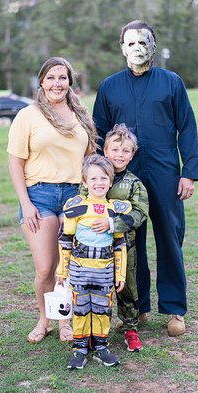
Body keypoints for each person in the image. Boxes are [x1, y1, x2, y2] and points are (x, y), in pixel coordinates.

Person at [93, 20, 198, 337]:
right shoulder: (110, 87)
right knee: (128, 242)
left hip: (165, 171)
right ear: (122, 47)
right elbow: (98, 133)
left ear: (153, 46)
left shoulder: (171, 82)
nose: (137, 48)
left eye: (144, 42)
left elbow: (188, 127)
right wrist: (101, 175)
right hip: (123, 174)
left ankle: (174, 309)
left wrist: (189, 173)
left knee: (169, 238)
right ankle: (135, 309)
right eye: (131, 43)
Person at [7, 57, 97, 344]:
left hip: (73, 197)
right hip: (39, 196)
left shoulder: (80, 114)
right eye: (51, 78)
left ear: (70, 81)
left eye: (62, 77)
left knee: (67, 265)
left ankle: (64, 322)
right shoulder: (28, 115)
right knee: (45, 267)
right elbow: (15, 162)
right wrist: (27, 203)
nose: (57, 83)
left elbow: (90, 159)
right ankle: (44, 320)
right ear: (42, 82)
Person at [57, 154, 131, 369]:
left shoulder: (116, 210)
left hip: (105, 270)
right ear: (84, 182)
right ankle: (79, 349)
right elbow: (65, 239)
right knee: (81, 309)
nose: (99, 183)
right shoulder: (76, 207)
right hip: (80, 269)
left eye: (103, 178)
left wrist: (120, 274)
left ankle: (101, 347)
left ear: (110, 181)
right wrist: (62, 270)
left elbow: (120, 244)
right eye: (93, 179)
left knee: (102, 309)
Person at [80, 124, 149, 352]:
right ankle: (97, 333)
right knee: (97, 289)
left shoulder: (134, 184)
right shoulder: (93, 176)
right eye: (115, 149)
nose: (120, 155)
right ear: (105, 151)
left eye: (126, 151)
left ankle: (131, 329)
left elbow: (140, 213)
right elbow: (81, 205)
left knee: (127, 288)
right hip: (93, 250)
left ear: (132, 154)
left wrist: (113, 224)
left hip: (123, 248)